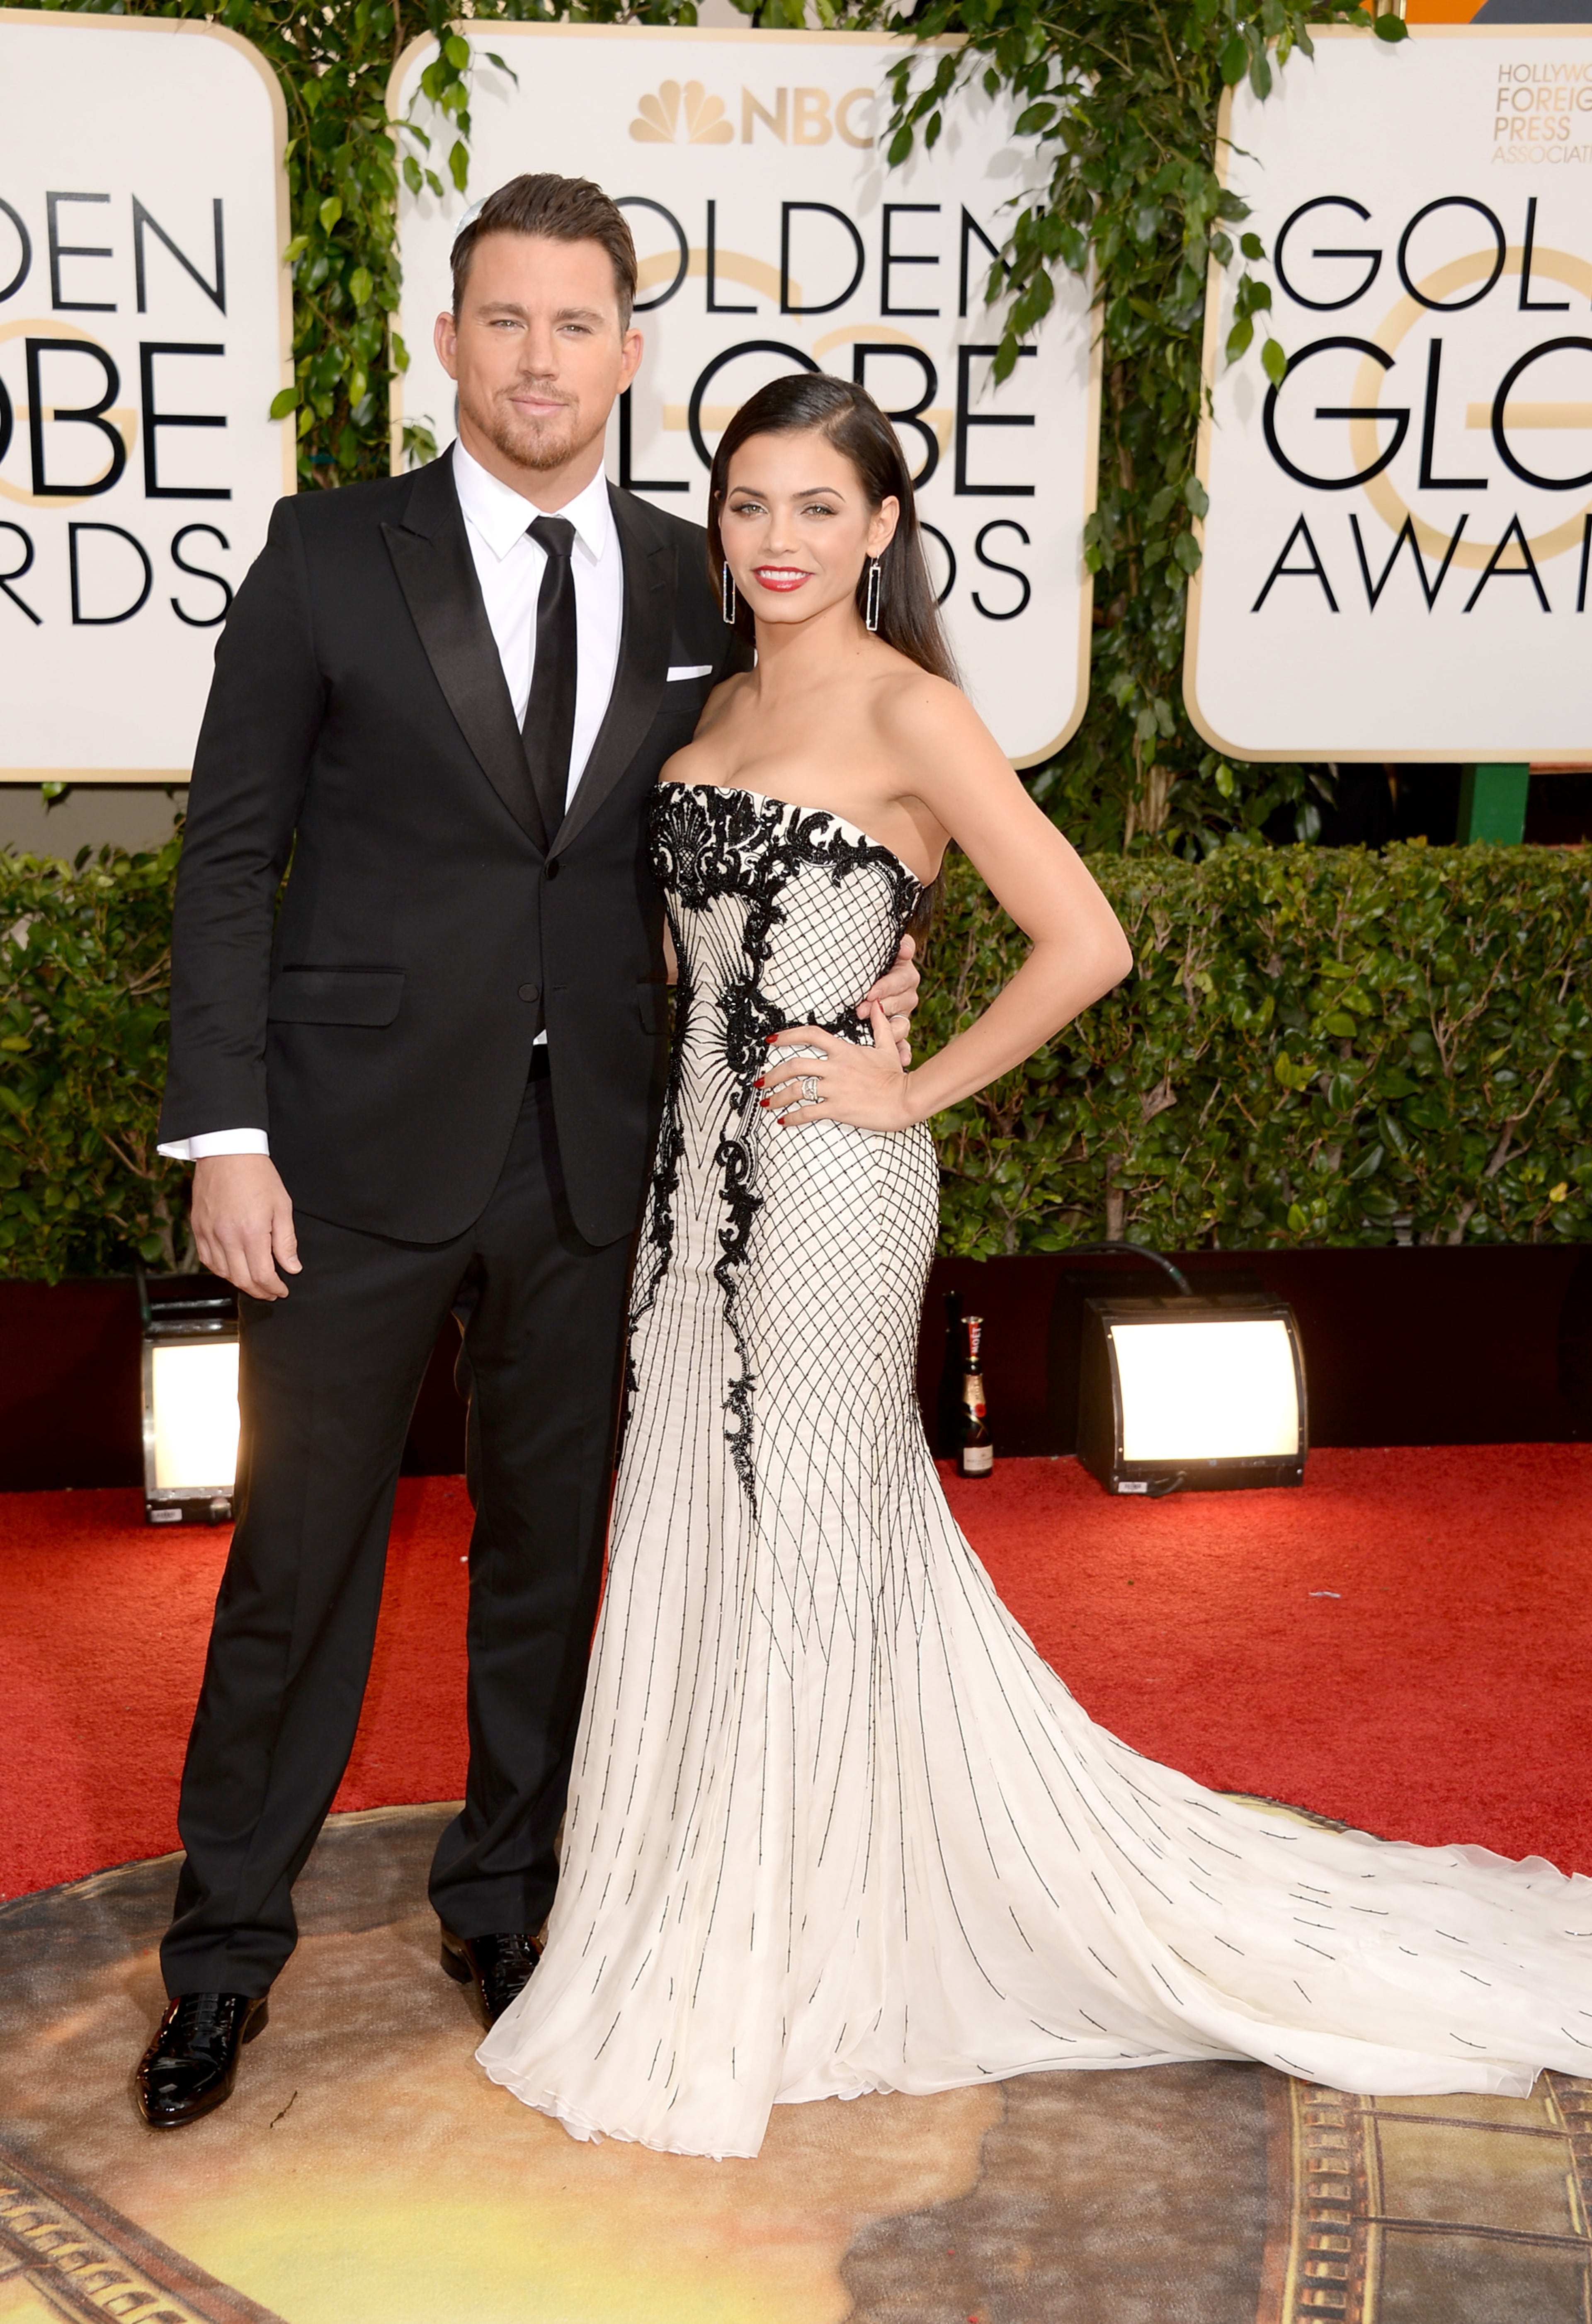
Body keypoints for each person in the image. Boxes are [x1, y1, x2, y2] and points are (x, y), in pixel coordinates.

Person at [477, 373, 1592, 2160]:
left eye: (817, 509)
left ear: (883, 529)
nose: (778, 540)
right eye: (749, 506)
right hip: (689, 1196)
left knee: (813, 1534)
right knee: (711, 1521)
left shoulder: (915, 711)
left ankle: (801, 1938)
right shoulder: (725, 694)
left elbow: (1088, 937)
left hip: (836, 1189)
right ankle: (736, 1891)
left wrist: (907, 1071)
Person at [134, 179, 922, 2132]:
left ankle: (508, 1896)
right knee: (296, 1568)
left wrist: (885, 962)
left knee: (552, 1560)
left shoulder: (692, 576)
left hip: (605, 1162)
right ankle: (223, 1951)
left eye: (580, 323)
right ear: (449, 340)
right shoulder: (329, 555)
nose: (542, 358)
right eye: (507, 319)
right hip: (345, 1156)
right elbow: (230, 851)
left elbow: (837, 775)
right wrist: (223, 1132)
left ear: (631, 351)